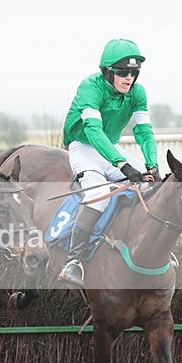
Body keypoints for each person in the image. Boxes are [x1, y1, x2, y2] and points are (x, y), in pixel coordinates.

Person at [58, 38, 159, 287]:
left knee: (153, 188)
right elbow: (93, 129)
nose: (129, 78)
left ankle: (151, 251)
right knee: (100, 193)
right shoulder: (89, 87)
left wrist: (152, 165)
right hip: (83, 147)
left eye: (134, 73)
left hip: (111, 147)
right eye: (122, 72)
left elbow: (144, 131)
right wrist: (122, 165)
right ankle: (73, 261)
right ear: (107, 71)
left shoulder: (138, 92)